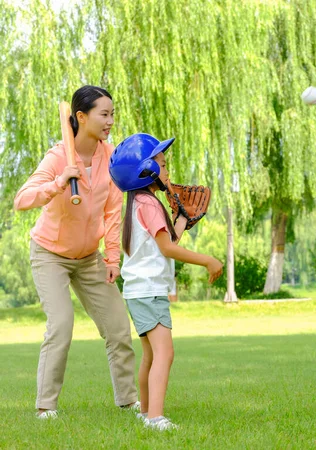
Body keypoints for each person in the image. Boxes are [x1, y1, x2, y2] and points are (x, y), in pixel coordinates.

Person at [14, 85, 139, 418]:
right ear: (81, 117)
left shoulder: (110, 156)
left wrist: (113, 259)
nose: (111, 121)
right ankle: (46, 407)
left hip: (88, 258)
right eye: (104, 114)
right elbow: (22, 200)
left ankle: (128, 400)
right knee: (62, 324)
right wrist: (58, 183)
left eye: (113, 114)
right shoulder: (58, 157)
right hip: (50, 254)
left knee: (117, 327)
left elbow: (113, 210)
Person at [108, 133, 223, 431]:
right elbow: (168, 248)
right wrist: (208, 259)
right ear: (147, 171)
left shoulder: (141, 203)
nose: (167, 169)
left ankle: (146, 410)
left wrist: (181, 217)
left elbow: (167, 239)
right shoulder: (149, 204)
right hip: (149, 292)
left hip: (139, 292)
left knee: (150, 354)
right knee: (165, 353)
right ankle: (155, 418)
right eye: (162, 163)